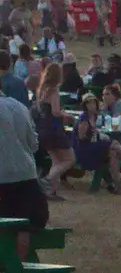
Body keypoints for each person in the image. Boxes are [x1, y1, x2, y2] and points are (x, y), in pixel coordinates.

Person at [0, 81, 43, 259]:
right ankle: (18, 267)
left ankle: (10, 270)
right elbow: (34, 144)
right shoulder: (19, 107)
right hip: (26, 175)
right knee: (23, 224)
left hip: (3, 178)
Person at [35, 62, 75, 199]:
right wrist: (68, 115)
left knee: (57, 161)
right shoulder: (54, 90)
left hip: (43, 128)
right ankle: (46, 180)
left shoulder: (42, 90)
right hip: (54, 129)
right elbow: (56, 112)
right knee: (69, 159)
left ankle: (51, 192)